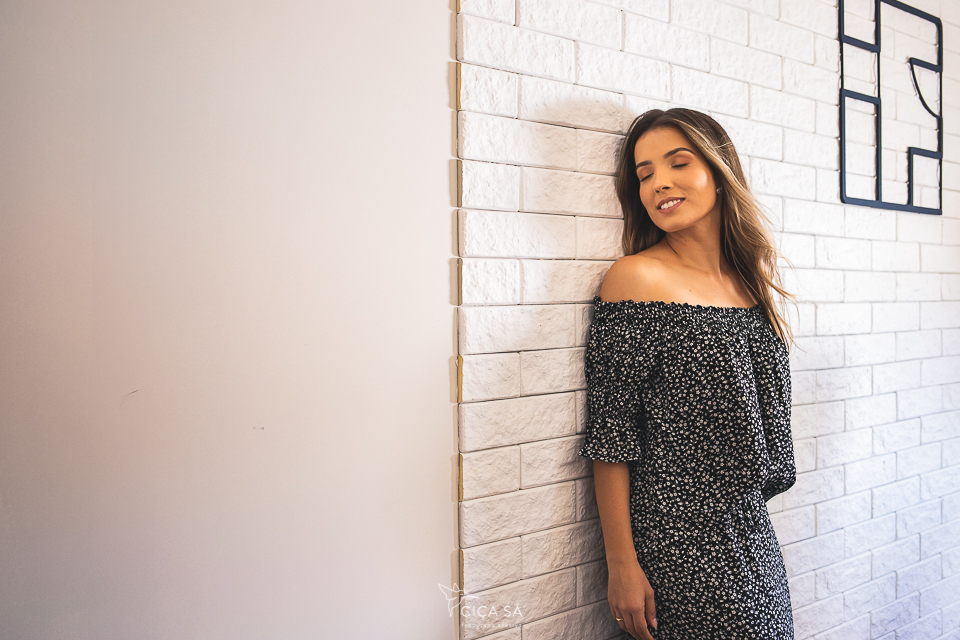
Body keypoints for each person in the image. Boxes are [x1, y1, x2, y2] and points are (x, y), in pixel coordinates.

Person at [577, 108, 800, 640]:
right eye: (645, 173)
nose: (659, 183)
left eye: (678, 163)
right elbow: (611, 434)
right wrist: (622, 565)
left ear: (719, 173)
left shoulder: (750, 282)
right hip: (677, 543)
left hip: (751, 534)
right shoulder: (635, 278)